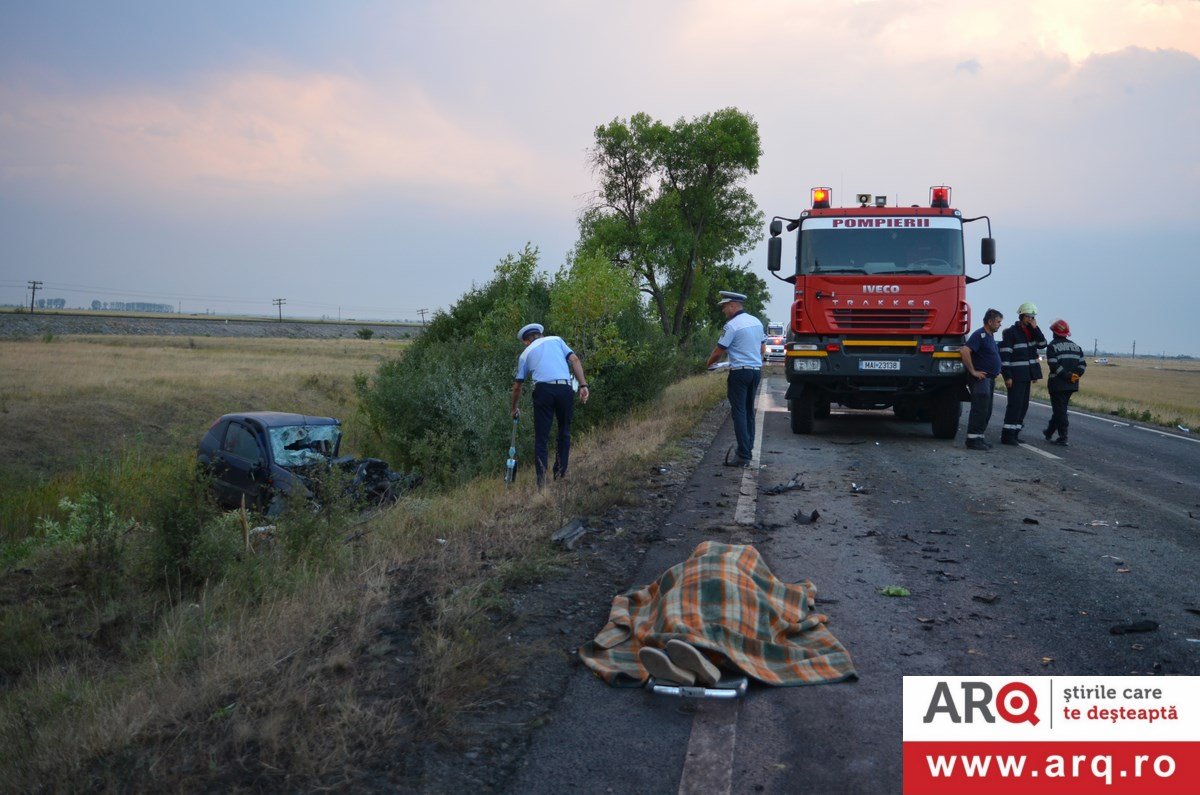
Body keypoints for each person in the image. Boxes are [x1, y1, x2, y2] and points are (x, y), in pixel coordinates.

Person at [510, 323, 589, 487]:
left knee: (541, 438)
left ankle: (542, 482)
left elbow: (518, 385)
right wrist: (583, 385)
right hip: (564, 388)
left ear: (526, 341)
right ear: (541, 334)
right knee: (564, 431)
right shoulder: (557, 340)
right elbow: (574, 359)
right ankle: (560, 474)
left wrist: (514, 408)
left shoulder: (525, 354)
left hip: (543, 391)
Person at [705, 291, 765, 467]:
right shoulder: (756, 321)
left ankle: (742, 455)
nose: (724, 310)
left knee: (738, 411)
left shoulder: (732, 325)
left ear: (732, 305)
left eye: (725, 307)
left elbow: (719, 350)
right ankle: (748, 449)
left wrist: (708, 364)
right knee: (748, 411)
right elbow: (762, 348)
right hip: (755, 371)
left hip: (739, 373)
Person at [998, 301, 1048, 445]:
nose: (1031, 319)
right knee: (1015, 405)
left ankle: (1015, 433)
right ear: (1021, 316)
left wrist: (1036, 328)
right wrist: (1007, 376)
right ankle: (1007, 436)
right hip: (1015, 376)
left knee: (1023, 405)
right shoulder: (1010, 332)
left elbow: (1043, 344)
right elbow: (1005, 356)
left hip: (1027, 375)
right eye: (1028, 317)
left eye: (1033, 317)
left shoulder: (1032, 332)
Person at [959, 308, 1004, 450]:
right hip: (981, 379)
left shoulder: (990, 337)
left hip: (989, 379)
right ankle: (972, 439)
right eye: (998, 322)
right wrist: (973, 371)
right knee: (980, 407)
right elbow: (965, 350)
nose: (999, 325)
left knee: (987, 409)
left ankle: (979, 437)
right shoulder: (980, 335)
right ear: (989, 321)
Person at [1042, 319, 1086, 446]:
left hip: (1057, 384)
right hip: (1072, 384)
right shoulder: (1077, 347)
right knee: (1060, 409)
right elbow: (1082, 365)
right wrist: (1075, 375)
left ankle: (1063, 436)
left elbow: (1053, 365)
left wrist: (1066, 376)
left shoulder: (1052, 346)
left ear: (1054, 333)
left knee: (1060, 410)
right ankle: (1049, 431)